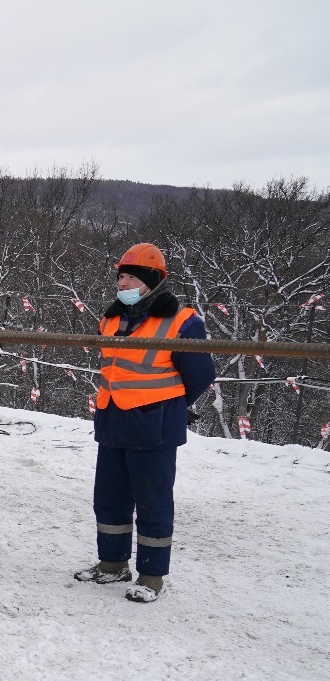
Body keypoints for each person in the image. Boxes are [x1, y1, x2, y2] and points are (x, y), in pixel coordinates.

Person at [74, 243, 216, 603]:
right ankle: (112, 564)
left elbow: (200, 374)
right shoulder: (110, 319)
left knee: (153, 502)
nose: (123, 283)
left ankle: (151, 575)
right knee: (108, 499)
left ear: (151, 281)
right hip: (112, 419)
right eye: (121, 276)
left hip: (154, 425)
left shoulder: (183, 321)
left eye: (131, 277)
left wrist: (170, 405)